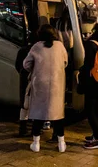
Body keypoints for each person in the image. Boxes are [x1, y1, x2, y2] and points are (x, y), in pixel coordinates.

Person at [23, 24, 69, 153]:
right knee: (58, 114)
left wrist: (35, 69)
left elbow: (26, 64)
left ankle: (36, 143)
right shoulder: (60, 46)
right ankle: (61, 144)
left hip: (40, 84)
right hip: (57, 85)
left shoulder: (36, 46)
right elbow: (65, 62)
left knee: (38, 113)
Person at [78, 23, 98, 149]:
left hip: (92, 82)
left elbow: (88, 64)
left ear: (93, 30)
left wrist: (81, 73)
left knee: (89, 110)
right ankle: (95, 134)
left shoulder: (90, 44)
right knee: (97, 109)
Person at [15, 32, 38, 136]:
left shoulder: (22, 50)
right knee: (36, 104)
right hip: (35, 79)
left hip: (24, 78)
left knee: (24, 105)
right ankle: (35, 129)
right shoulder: (38, 51)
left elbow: (17, 65)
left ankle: (22, 128)